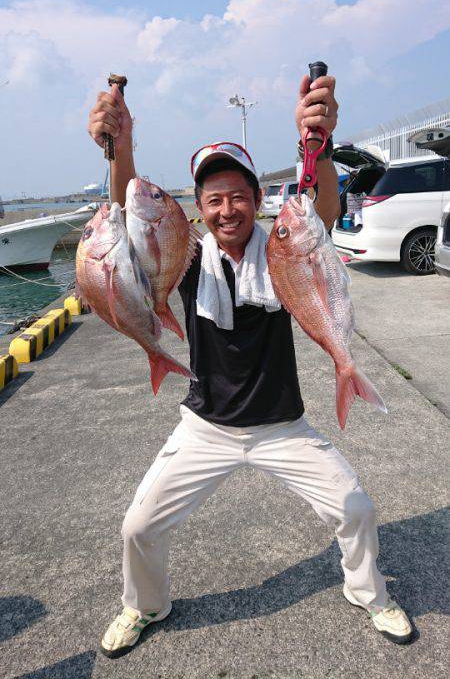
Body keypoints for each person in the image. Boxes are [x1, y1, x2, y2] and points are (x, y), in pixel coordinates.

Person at [87, 75, 413, 657]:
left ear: (257, 202)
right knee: (137, 528)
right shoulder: (185, 257)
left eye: (238, 196)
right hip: (206, 427)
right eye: (212, 199)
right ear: (199, 209)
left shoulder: (285, 250)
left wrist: (319, 140)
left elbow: (325, 205)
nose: (226, 209)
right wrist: (122, 141)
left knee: (355, 508)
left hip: (281, 424)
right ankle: (146, 605)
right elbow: (128, 209)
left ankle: (369, 592)